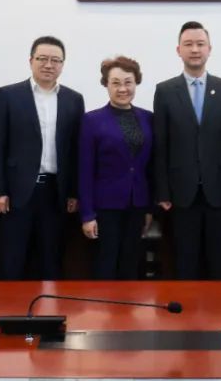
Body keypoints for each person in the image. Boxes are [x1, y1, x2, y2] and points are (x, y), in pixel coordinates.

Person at [0, 36, 84, 279]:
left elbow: (75, 150)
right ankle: (11, 303)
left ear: (62, 64)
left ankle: (49, 304)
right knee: (12, 260)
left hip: (55, 192)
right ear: (31, 60)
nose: (48, 65)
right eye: (42, 58)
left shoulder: (73, 100)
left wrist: (73, 192)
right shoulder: (9, 95)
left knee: (51, 259)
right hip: (16, 193)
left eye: (55, 60)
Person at [152, 21, 221, 280]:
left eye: (200, 44)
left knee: (220, 262)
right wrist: (162, 191)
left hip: (220, 191)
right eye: (188, 44)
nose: (194, 49)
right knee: (185, 261)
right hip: (181, 193)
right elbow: (161, 145)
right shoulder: (165, 91)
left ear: (209, 49)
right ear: (178, 50)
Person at [78, 56, 154, 280]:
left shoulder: (148, 118)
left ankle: (127, 304)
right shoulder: (91, 120)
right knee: (106, 264)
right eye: (116, 83)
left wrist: (149, 209)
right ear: (106, 84)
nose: (123, 89)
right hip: (105, 207)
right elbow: (84, 171)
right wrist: (87, 215)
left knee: (131, 264)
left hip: (137, 204)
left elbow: (150, 166)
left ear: (136, 82)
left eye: (128, 82)